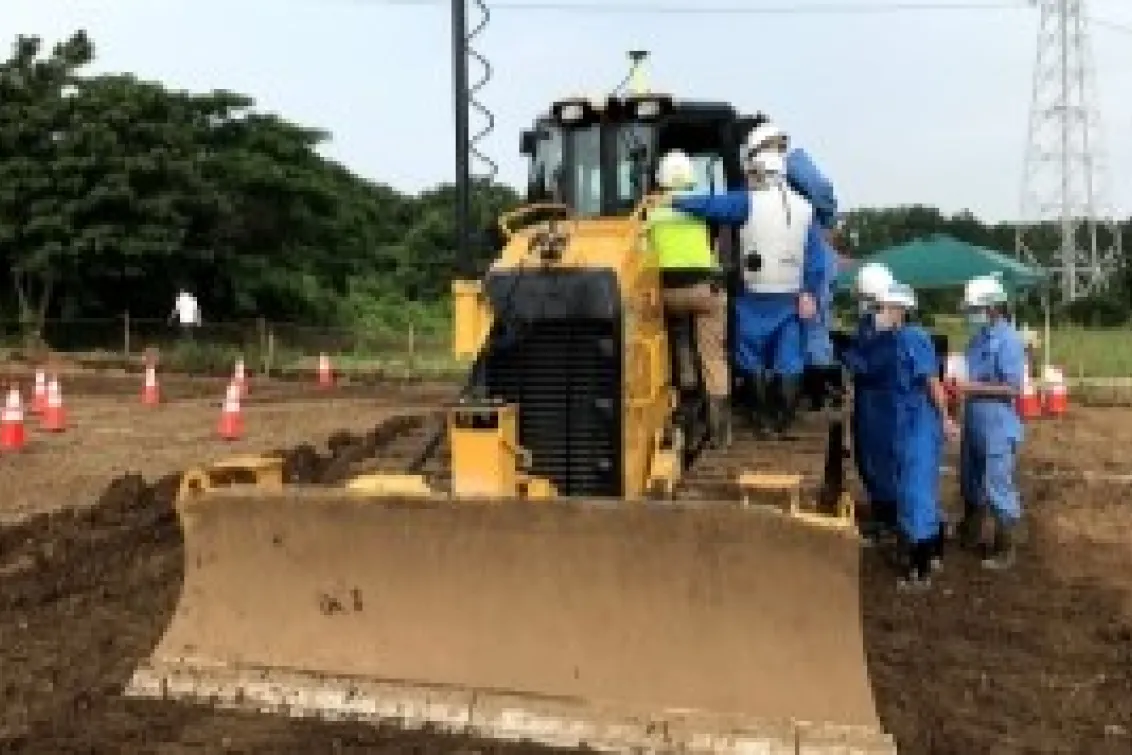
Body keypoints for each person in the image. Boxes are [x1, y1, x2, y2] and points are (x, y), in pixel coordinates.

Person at [665, 129, 829, 439]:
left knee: (749, 354)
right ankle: (782, 421)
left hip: (755, 298)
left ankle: (762, 420)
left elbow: (712, 206)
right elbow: (817, 258)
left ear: (760, 172)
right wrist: (809, 291)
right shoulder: (806, 209)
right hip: (791, 298)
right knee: (789, 359)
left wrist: (674, 200)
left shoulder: (748, 202)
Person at [872, 281, 958, 589]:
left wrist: (946, 417)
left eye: (883, 307)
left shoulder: (913, 338)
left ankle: (919, 571)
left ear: (898, 310)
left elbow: (931, 381)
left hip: (919, 426)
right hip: (909, 425)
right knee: (919, 491)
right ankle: (933, 555)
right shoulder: (899, 339)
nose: (880, 312)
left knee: (915, 494)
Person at [648, 149, 730, 448]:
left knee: (680, 342)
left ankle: (686, 401)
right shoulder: (701, 210)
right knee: (712, 356)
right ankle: (719, 432)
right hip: (703, 291)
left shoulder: (652, 212)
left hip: (668, 294)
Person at [954, 275, 1027, 570]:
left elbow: (1013, 388)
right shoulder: (979, 338)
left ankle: (1004, 545)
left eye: (975, 308)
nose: (972, 314)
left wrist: (971, 387)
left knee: (997, 482)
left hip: (997, 421)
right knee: (971, 478)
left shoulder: (1008, 341)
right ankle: (969, 531)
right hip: (975, 417)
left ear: (992, 308)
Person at [842, 262, 899, 541]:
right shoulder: (868, 324)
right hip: (866, 403)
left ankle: (889, 521)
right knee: (866, 460)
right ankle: (880, 513)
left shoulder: (893, 331)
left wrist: (847, 358)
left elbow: (871, 365)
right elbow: (857, 351)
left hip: (883, 404)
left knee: (883, 462)